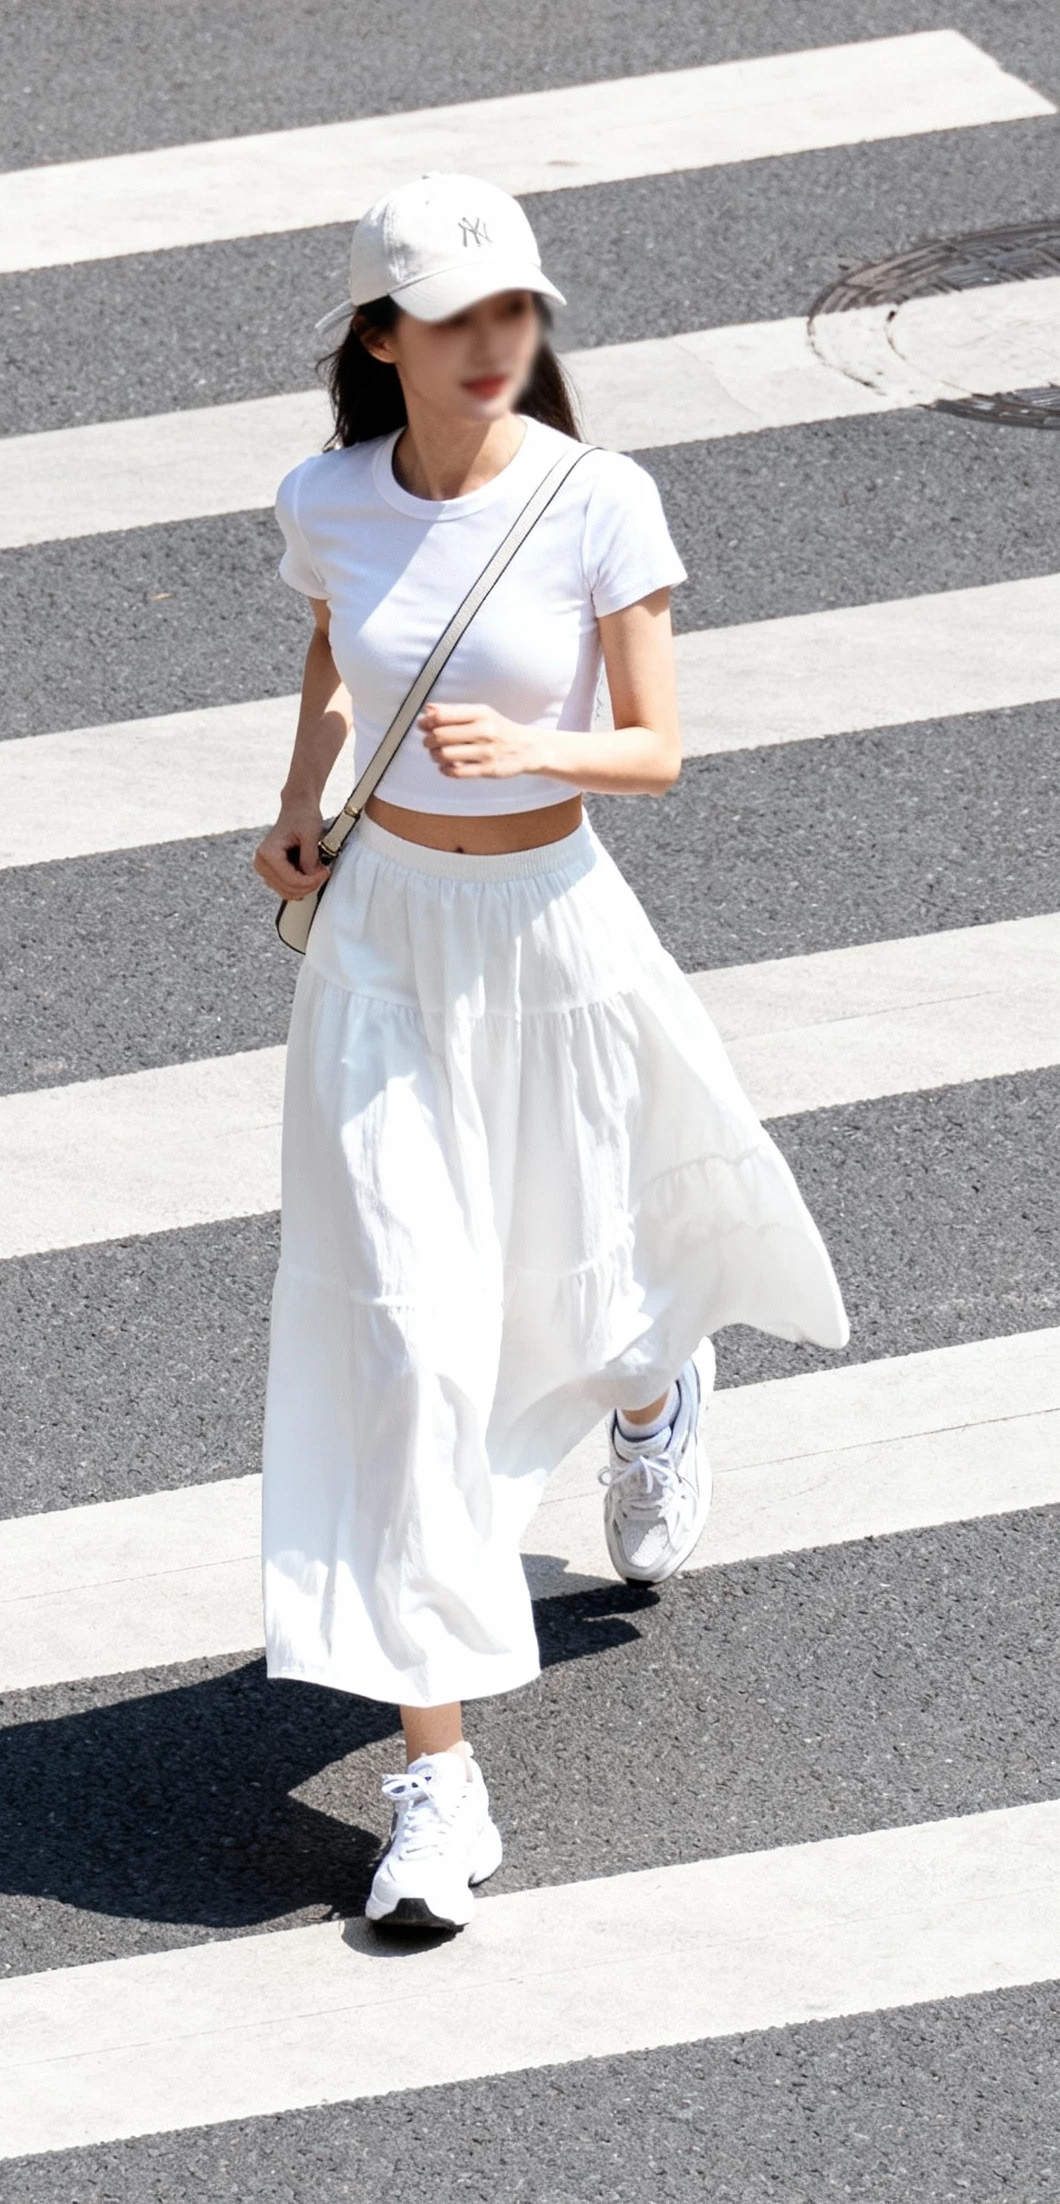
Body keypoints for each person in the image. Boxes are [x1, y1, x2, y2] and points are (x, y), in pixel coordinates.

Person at [253, 173, 849, 1935]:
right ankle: (436, 1779)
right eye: (458, 319)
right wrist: (299, 800)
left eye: (516, 312)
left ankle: (651, 1390)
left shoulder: (598, 499)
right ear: (384, 339)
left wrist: (536, 751)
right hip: (384, 949)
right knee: (403, 1341)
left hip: (553, 936)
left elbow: (657, 747)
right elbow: (334, 649)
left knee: (584, 1290)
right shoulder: (327, 500)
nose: (496, 344)